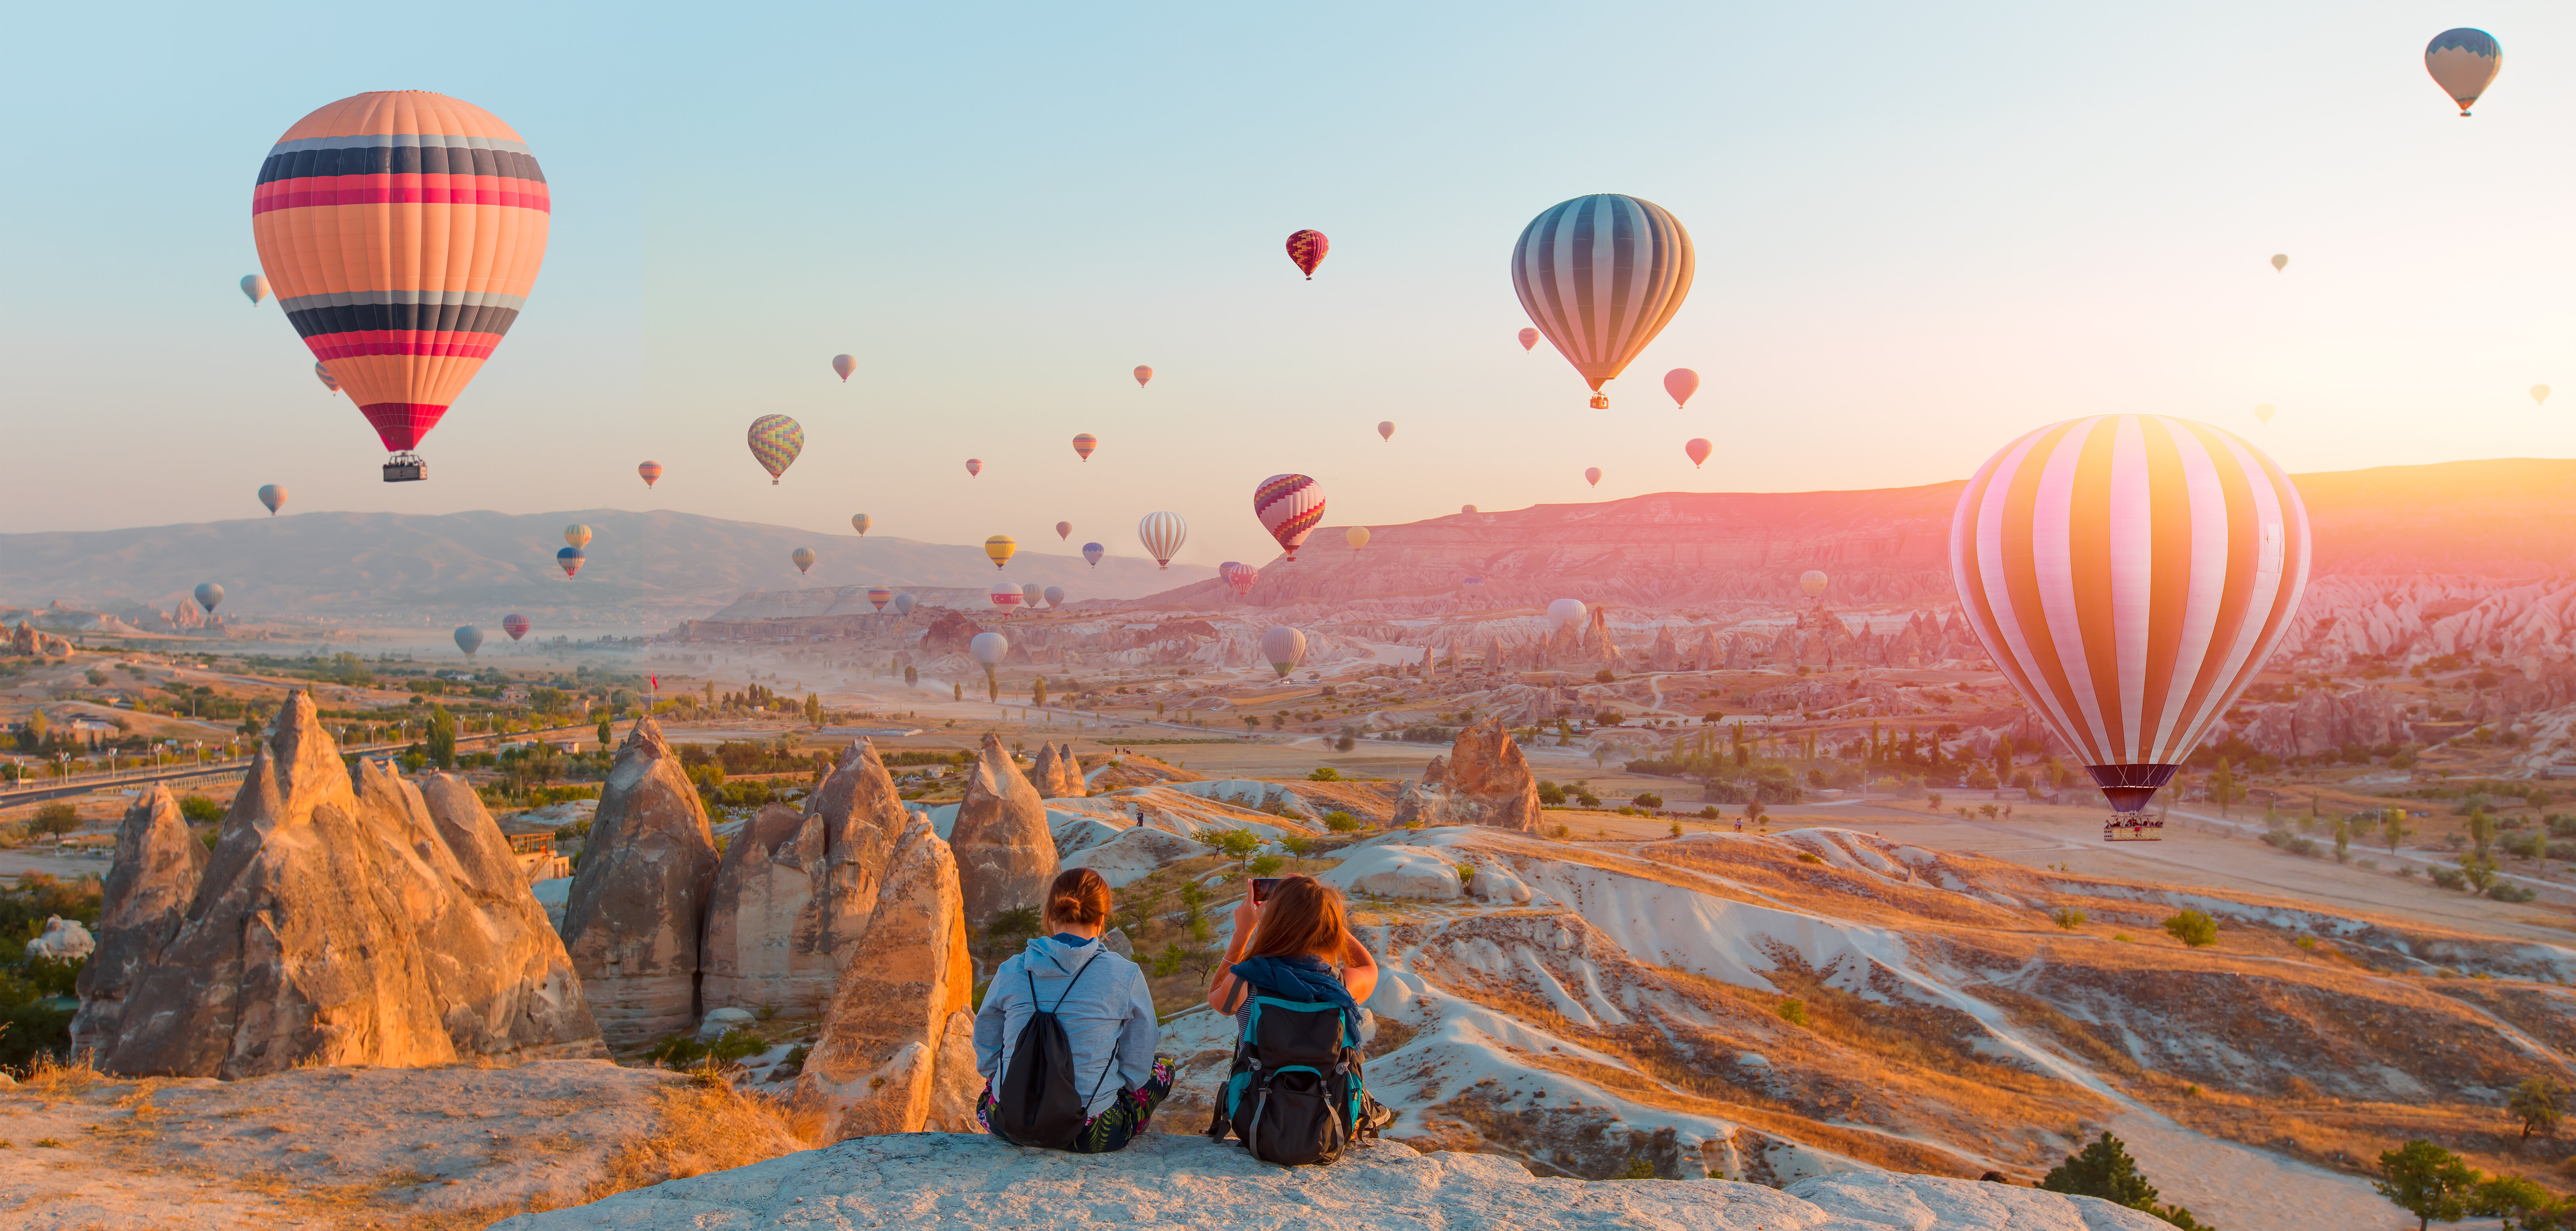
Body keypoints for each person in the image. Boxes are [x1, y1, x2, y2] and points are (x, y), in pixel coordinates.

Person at [973, 868, 1173, 1153]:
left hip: (1009, 1121)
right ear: (1102, 919)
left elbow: (986, 1050)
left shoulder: (1012, 969)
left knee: (992, 1089)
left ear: (1050, 915)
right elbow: (1138, 1066)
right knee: (1163, 1067)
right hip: (1089, 1132)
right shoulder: (1125, 974)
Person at [1206, 874, 1378, 1029]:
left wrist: (1242, 932)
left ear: (1273, 923)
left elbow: (1217, 997)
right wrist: (1323, 910)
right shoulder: (1340, 984)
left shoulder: (1242, 983)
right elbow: (1368, 967)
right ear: (1327, 925)